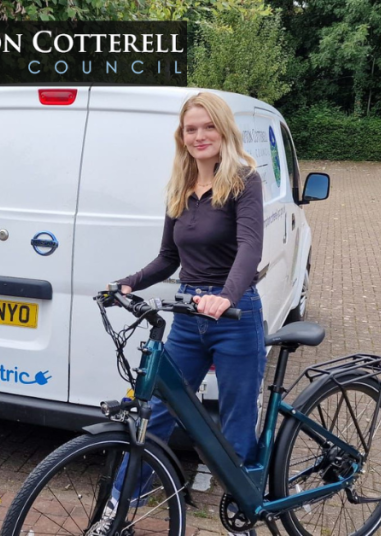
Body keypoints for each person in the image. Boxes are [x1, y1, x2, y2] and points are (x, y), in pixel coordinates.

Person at [92, 92, 265, 535]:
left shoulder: (245, 181)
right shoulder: (181, 188)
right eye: (191, 129)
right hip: (188, 314)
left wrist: (226, 296)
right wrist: (126, 283)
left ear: (223, 129)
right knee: (158, 413)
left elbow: (249, 248)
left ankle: (245, 508)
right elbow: (167, 258)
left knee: (235, 418)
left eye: (208, 126)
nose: (200, 136)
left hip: (233, 315)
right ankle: (120, 511)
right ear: (182, 136)